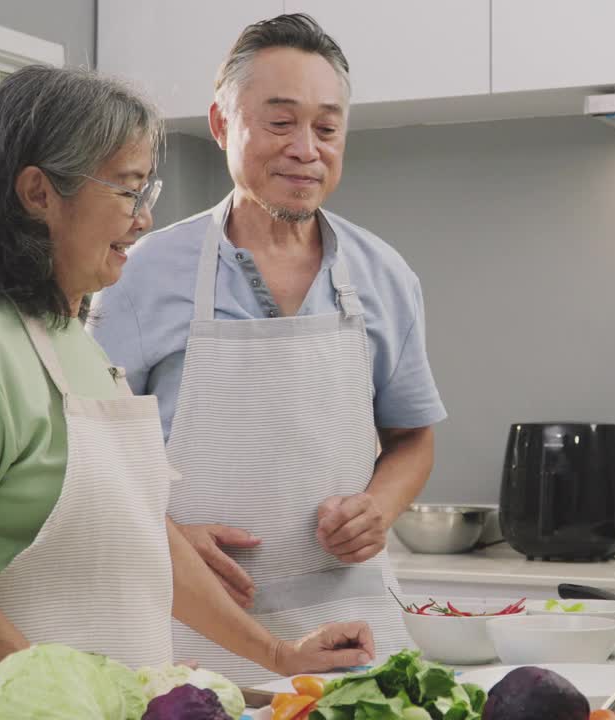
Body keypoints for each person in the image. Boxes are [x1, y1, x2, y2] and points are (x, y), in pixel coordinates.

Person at [0, 65, 372, 720]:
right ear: (39, 193)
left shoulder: (70, 340)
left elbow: (145, 536)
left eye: (148, 192)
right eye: (127, 191)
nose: (143, 221)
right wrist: (87, 702)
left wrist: (278, 657)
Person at [91, 14, 446, 684]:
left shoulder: (385, 275)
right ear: (223, 125)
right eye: (281, 122)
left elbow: (413, 438)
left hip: (355, 636)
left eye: (327, 127)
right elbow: (91, 458)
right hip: (191, 631)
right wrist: (162, 532)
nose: (306, 149)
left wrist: (381, 508)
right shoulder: (138, 274)